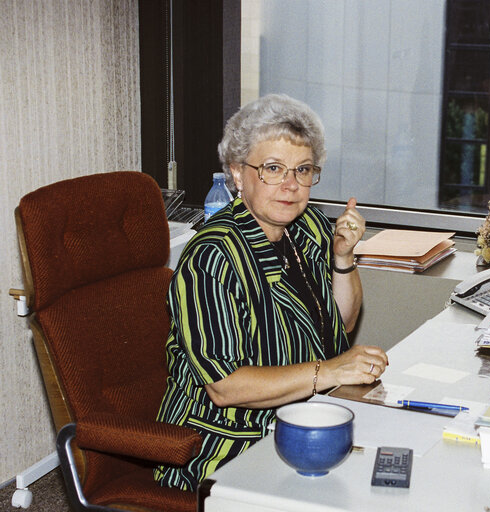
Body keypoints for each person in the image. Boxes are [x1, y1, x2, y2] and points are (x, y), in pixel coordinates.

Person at [155, 94, 388, 491]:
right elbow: (225, 386)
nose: (291, 185)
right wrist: (332, 370)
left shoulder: (309, 226)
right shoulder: (212, 258)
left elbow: (342, 325)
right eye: (273, 169)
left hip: (304, 419)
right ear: (237, 173)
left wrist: (343, 259)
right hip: (224, 443)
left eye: (303, 170)